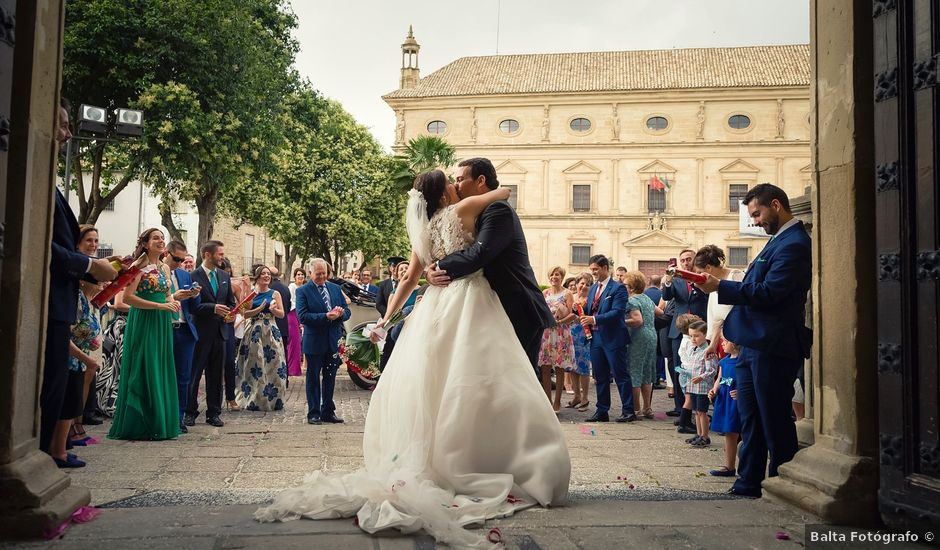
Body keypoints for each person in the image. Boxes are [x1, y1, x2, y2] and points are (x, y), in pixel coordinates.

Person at [257, 170, 570, 547]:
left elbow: (407, 282)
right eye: (452, 180)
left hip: (436, 305)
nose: (458, 183)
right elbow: (502, 192)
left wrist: (385, 320)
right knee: (480, 377)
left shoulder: (423, 234)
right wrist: (492, 189)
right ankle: (487, 455)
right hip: (471, 299)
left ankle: (444, 456)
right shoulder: (467, 207)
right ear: (444, 193)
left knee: (436, 380)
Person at [696, 183, 812, 498]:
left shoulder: (795, 243)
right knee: (751, 419)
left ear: (776, 204)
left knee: (774, 420)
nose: (756, 221)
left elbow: (771, 293)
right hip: (752, 345)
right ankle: (748, 481)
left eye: (757, 213)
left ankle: (781, 486)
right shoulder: (778, 241)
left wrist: (720, 286)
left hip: (773, 345)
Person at [41, 98, 117, 461]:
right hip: (52, 305)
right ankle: (47, 453)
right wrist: (90, 267)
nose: (68, 133)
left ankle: (51, 453)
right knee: (53, 388)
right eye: (62, 124)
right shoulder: (37, 184)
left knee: (59, 389)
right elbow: (42, 247)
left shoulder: (50, 185)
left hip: (61, 307)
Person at [428, 157, 555, 373]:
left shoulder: (497, 210)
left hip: (518, 307)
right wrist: (430, 272)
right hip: (496, 307)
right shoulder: (479, 211)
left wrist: (438, 266)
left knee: (518, 380)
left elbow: (479, 254)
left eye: (460, 179)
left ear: (481, 180)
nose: (456, 185)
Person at [108, 228, 182, 440]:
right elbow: (128, 298)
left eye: (162, 238)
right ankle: (140, 422)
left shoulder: (164, 268)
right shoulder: (137, 267)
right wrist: (159, 307)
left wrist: (173, 302)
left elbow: (167, 295)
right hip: (144, 320)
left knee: (160, 366)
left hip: (161, 323)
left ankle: (159, 421)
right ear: (146, 243)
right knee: (145, 366)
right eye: (155, 238)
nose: (160, 241)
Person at [185, 240, 236, 428]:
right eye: (220, 254)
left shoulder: (223, 275)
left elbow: (230, 301)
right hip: (200, 333)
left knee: (216, 375)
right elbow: (193, 306)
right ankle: (190, 411)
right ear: (207, 254)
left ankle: (214, 412)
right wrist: (213, 308)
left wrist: (231, 313)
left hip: (221, 333)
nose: (223, 257)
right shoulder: (192, 276)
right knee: (195, 374)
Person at [581, 255, 635, 423]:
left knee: (620, 374)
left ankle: (628, 411)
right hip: (595, 338)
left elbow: (617, 312)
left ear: (605, 268)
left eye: (596, 269)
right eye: (591, 270)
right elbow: (590, 309)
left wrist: (594, 319)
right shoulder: (592, 289)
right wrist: (580, 313)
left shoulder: (618, 288)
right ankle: (602, 411)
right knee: (600, 376)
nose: (594, 273)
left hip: (613, 338)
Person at [296, 259, 350, 425]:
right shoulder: (303, 291)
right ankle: (313, 413)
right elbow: (302, 316)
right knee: (313, 377)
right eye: (318, 274)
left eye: (324, 273)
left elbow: (347, 312)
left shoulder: (335, 288)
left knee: (330, 377)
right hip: (314, 340)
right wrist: (325, 316)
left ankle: (328, 411)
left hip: (332, 340)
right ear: (310, 273)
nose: (321, 277)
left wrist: (341, 314)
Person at [662, 248, 707, 429]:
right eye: (683, 260)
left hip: (699, 327)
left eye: (689, 259)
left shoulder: (702, 277)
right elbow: (666, 297)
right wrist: (667, 282)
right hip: (678, 329)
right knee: (678, 369)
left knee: (698, 368)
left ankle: (698, 408)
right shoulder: (677, 279)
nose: (686, 262)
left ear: (694, 260)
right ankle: (681, 409)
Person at [234, 265, 288, 411]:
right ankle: (253, 399)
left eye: (268, 274)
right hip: (254, 331)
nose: (266, 276)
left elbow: (282, 314)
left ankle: (273, 399)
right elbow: (244, 313)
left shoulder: (275, 293)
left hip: (270, 330)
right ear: (257, 277)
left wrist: (273, 309)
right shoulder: (251, 293)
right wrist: (258, 309)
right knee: (254, 364)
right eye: (263, 274)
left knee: (274, 364)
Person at [164, 240, 202, 434]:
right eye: (176, 259)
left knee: (183, 377)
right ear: (166, 253)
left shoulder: (184, 275)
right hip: (164, 328)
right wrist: (173, 297)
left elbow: (195, 308)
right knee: (163, 374)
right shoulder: (155, 273)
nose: (179, 263)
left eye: (182, 259)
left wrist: (194, 295)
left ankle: (179, 417)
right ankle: (164, 416)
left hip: (185, 330)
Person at [692, 245, 745, 358]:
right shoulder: (712, 284)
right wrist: (712, 345)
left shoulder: (736, 276)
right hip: (723, 339)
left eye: (700, 272)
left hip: (737, 341)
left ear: (708, 268)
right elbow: (717, 319)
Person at [537, 266, 576, 412]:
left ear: (562, 277)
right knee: (545, 368)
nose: (554, 277)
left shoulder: (567, 293)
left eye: (557, 274)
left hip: (561, 332)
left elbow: (573, 315)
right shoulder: (544, 293)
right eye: (552, 274)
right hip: (546, 333)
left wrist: (559, 321)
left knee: (559, 368)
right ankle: (548, 401)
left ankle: (558, 401)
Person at [624, 271, 659, 419]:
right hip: (652, 336)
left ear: (631, 287)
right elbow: (660, 311)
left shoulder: (632, 301)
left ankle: (637, 409)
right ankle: (648, 408)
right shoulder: (647, 299)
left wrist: (622, 322)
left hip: (638, 337)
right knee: (647, 372)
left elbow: (638, 320)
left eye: (625, 285)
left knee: (635, 372)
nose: (623, 287)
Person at [679, 320, 717, 447]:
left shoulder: (708, 351)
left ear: (705, 335)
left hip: (703, 387)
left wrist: (701, 377)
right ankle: (699, 433)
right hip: (692, 385)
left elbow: (711, 370)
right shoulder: (692, 349)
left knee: (702, 412)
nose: (693, 339)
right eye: (691, 336)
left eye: (696, 336)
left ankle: (705, 436)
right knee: (696, 411)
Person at [708, 336, 742, 476]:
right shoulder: (723, 362)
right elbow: (719, 379)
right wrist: (714, 390)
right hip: (725, 397)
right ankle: (729, 466)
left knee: (743, 432)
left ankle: (745, 465)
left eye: (725, 341)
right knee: (729, 433)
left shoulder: (742, 362)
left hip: (737, 400)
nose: (722, 343)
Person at [567, 272, 593, 412]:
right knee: (572, 366)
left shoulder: (591, 300)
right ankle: (576, 396)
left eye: (587, 284)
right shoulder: (572, 297)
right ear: (576, 284)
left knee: (583, 366)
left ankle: (585, 398)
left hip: (584, 334)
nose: (583, 286)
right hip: (570, 332)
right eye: (581, 283)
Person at [221, 260, 243, 412]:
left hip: (228, 325)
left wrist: (235, 314)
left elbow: (242, 306)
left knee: (229, 361)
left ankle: (231, 397)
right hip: (213, 324)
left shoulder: (233, 286)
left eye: (228, 272)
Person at [268, 266, 293, 377]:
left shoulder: (268, 288)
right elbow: (287, 308)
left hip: (270, 325)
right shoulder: (285, 288)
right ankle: (284, 377)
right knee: (283, 353)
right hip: (283, 325)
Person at [286, 267, 306, 377]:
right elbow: (291, 301)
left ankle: (296, 368)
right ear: (294, 277)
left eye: (302, 274)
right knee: (294, 342)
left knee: (299, 342)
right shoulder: (292, 287)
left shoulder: (304, 288)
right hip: (293, 314)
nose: (300, 276)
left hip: (302, 314)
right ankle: (291, 369)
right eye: (298, 274)